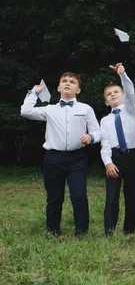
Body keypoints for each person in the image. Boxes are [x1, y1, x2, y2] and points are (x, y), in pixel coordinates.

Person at [21, 72, 101, 236]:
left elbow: (97, 131)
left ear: (77, 90)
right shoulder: (50, 110)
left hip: (77, 158)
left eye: (72, 82)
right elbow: (25, 111)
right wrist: (34, 92)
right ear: (58, 88)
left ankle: (82, 232)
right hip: (53, 158)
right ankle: (52, 231)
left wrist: (91, 137)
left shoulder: (86, 109)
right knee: (54, 198)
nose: (67, 83)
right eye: (64, 81)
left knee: (79, 195)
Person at [100, 63, 135, 235]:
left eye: (116, 92)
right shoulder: (104, 120)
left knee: (133, 196)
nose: (113, 95)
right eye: (109, 94)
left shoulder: (130, 110)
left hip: (131, 157)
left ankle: (129, 229)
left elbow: (130, 90)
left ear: (123, 96)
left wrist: (123, 75)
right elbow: (105, 145)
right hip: (114, 158)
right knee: (112, 197)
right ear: (106, 101)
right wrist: (108, 163)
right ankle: (109, 231)